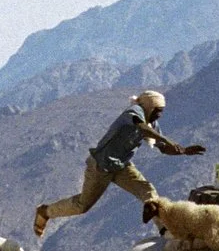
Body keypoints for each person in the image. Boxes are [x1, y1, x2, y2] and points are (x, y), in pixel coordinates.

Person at [35, 89, 206, 238]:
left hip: (122, 166)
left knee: (148, 192)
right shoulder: (134, 112)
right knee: (82, 205)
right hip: (100, 165)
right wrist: (167, 140)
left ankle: (165, 229)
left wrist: (182, 150)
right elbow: (142, 128)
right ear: (149, 106)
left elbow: (162, 148)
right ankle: (45, 211)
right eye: (157, 110)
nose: (159, 115)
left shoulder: (152, 123)